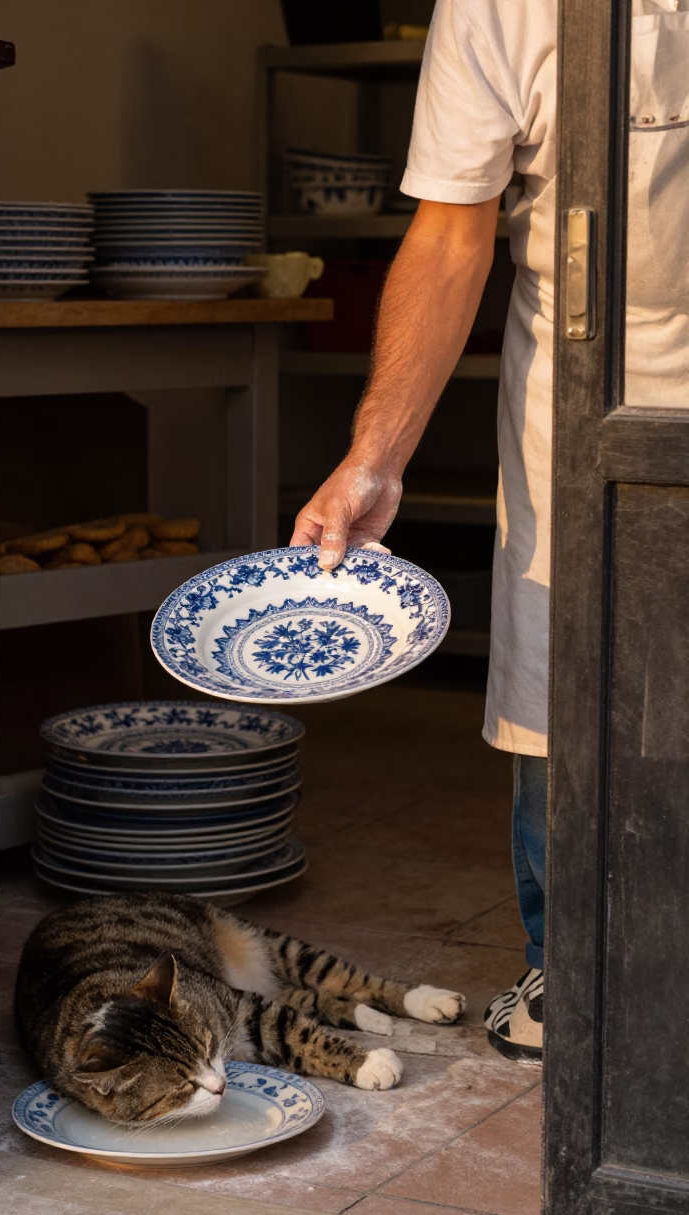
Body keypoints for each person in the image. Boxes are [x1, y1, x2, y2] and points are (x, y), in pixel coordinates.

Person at [290, 0, 689, 1063]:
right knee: (560, 685)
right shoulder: (496, 4)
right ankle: (576, 966)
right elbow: (452, 228)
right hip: (587, 382)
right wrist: (376, 455)